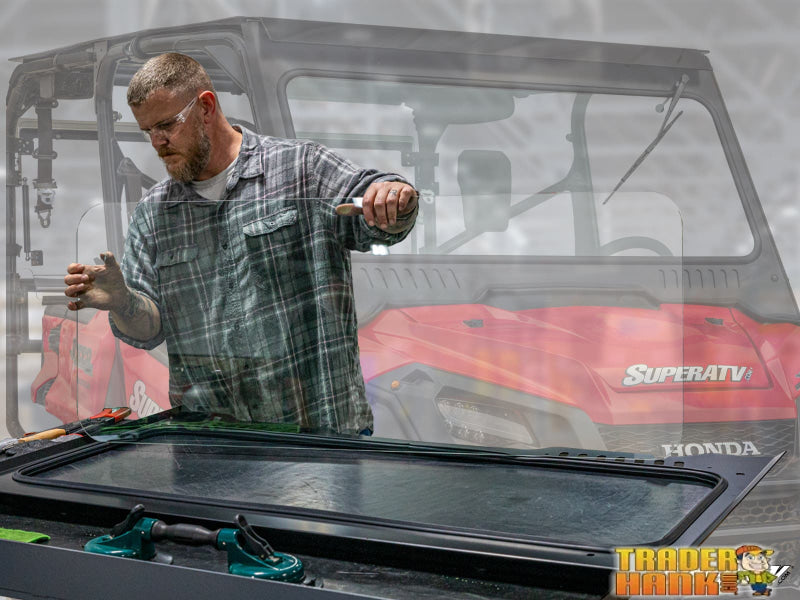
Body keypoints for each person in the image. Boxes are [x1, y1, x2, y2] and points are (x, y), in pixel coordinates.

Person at [63, 53, 417, 434]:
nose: (157, 142)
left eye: (166, 125)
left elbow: (373, 209)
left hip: (318, 439)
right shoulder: (154, 213)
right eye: (147, 130)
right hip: (213, 443)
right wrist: (122, 302)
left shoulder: (301, 170)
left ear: (206, 107)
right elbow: (149, 329)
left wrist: (393, 197)